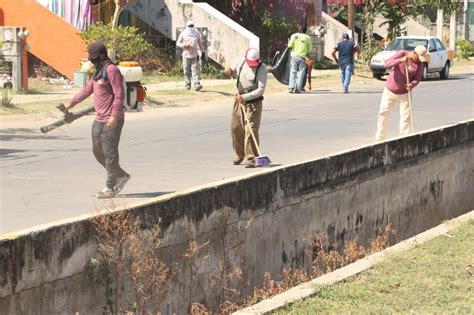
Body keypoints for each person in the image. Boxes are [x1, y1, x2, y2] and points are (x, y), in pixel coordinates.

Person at [65, 42, 130, 198]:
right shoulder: (98, 72)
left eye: (94, 59)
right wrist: (70, 104)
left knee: (109, 152)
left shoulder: (111, 70)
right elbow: (87, 90)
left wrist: (114, 115)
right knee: (97, 151)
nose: (92, 62)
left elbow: (119, 93)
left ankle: (110, 186)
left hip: (112, 119)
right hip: (99, 119)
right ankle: (120, 175)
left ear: (100, 57)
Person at [224, 48, 268, 168]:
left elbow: (260, 90)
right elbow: (231, 69)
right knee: (236, 127)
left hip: (254, 103)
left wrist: (245, 97)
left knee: (250, 130)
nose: (252, 65)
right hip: (239, 99)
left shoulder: (262, 69)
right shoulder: (240, 61)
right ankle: (239, 154)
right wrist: (229, 70)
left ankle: (251, 158)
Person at [375, 45, 427, 141]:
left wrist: (412, 84)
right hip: (390, 90)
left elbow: (417, 78)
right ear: (414, 53)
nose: (419, 60)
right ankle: (380, 137)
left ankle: (404, 138)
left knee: (405, 117)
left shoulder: (419, 64)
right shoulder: (402, 53)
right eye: (418, 57)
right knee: (383, 113)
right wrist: (400, 60)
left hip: (404, 93)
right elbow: (387, 64)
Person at [176, 20, 204, 91]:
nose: (191, 27)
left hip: (194, 55)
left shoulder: (196, 33)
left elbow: (200, 44)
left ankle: (197, 84)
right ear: (187, 26)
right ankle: (187, 85)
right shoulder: (183, 33)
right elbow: (178, 43)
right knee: (186, 70)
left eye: (192, 26)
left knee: (195, 70)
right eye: (190, 26)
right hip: (185, 55)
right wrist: (183, 45)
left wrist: (202, 52)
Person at [288, 25, 312, 93]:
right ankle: (298, 88)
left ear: (298, 29)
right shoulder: (307, 37)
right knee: (301, 72)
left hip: (294, 56)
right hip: (302, 57)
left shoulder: (293, 36)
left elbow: (289, 45)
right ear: (305, 30)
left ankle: (291, 87)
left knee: (293, 71)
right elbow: (310, 48)